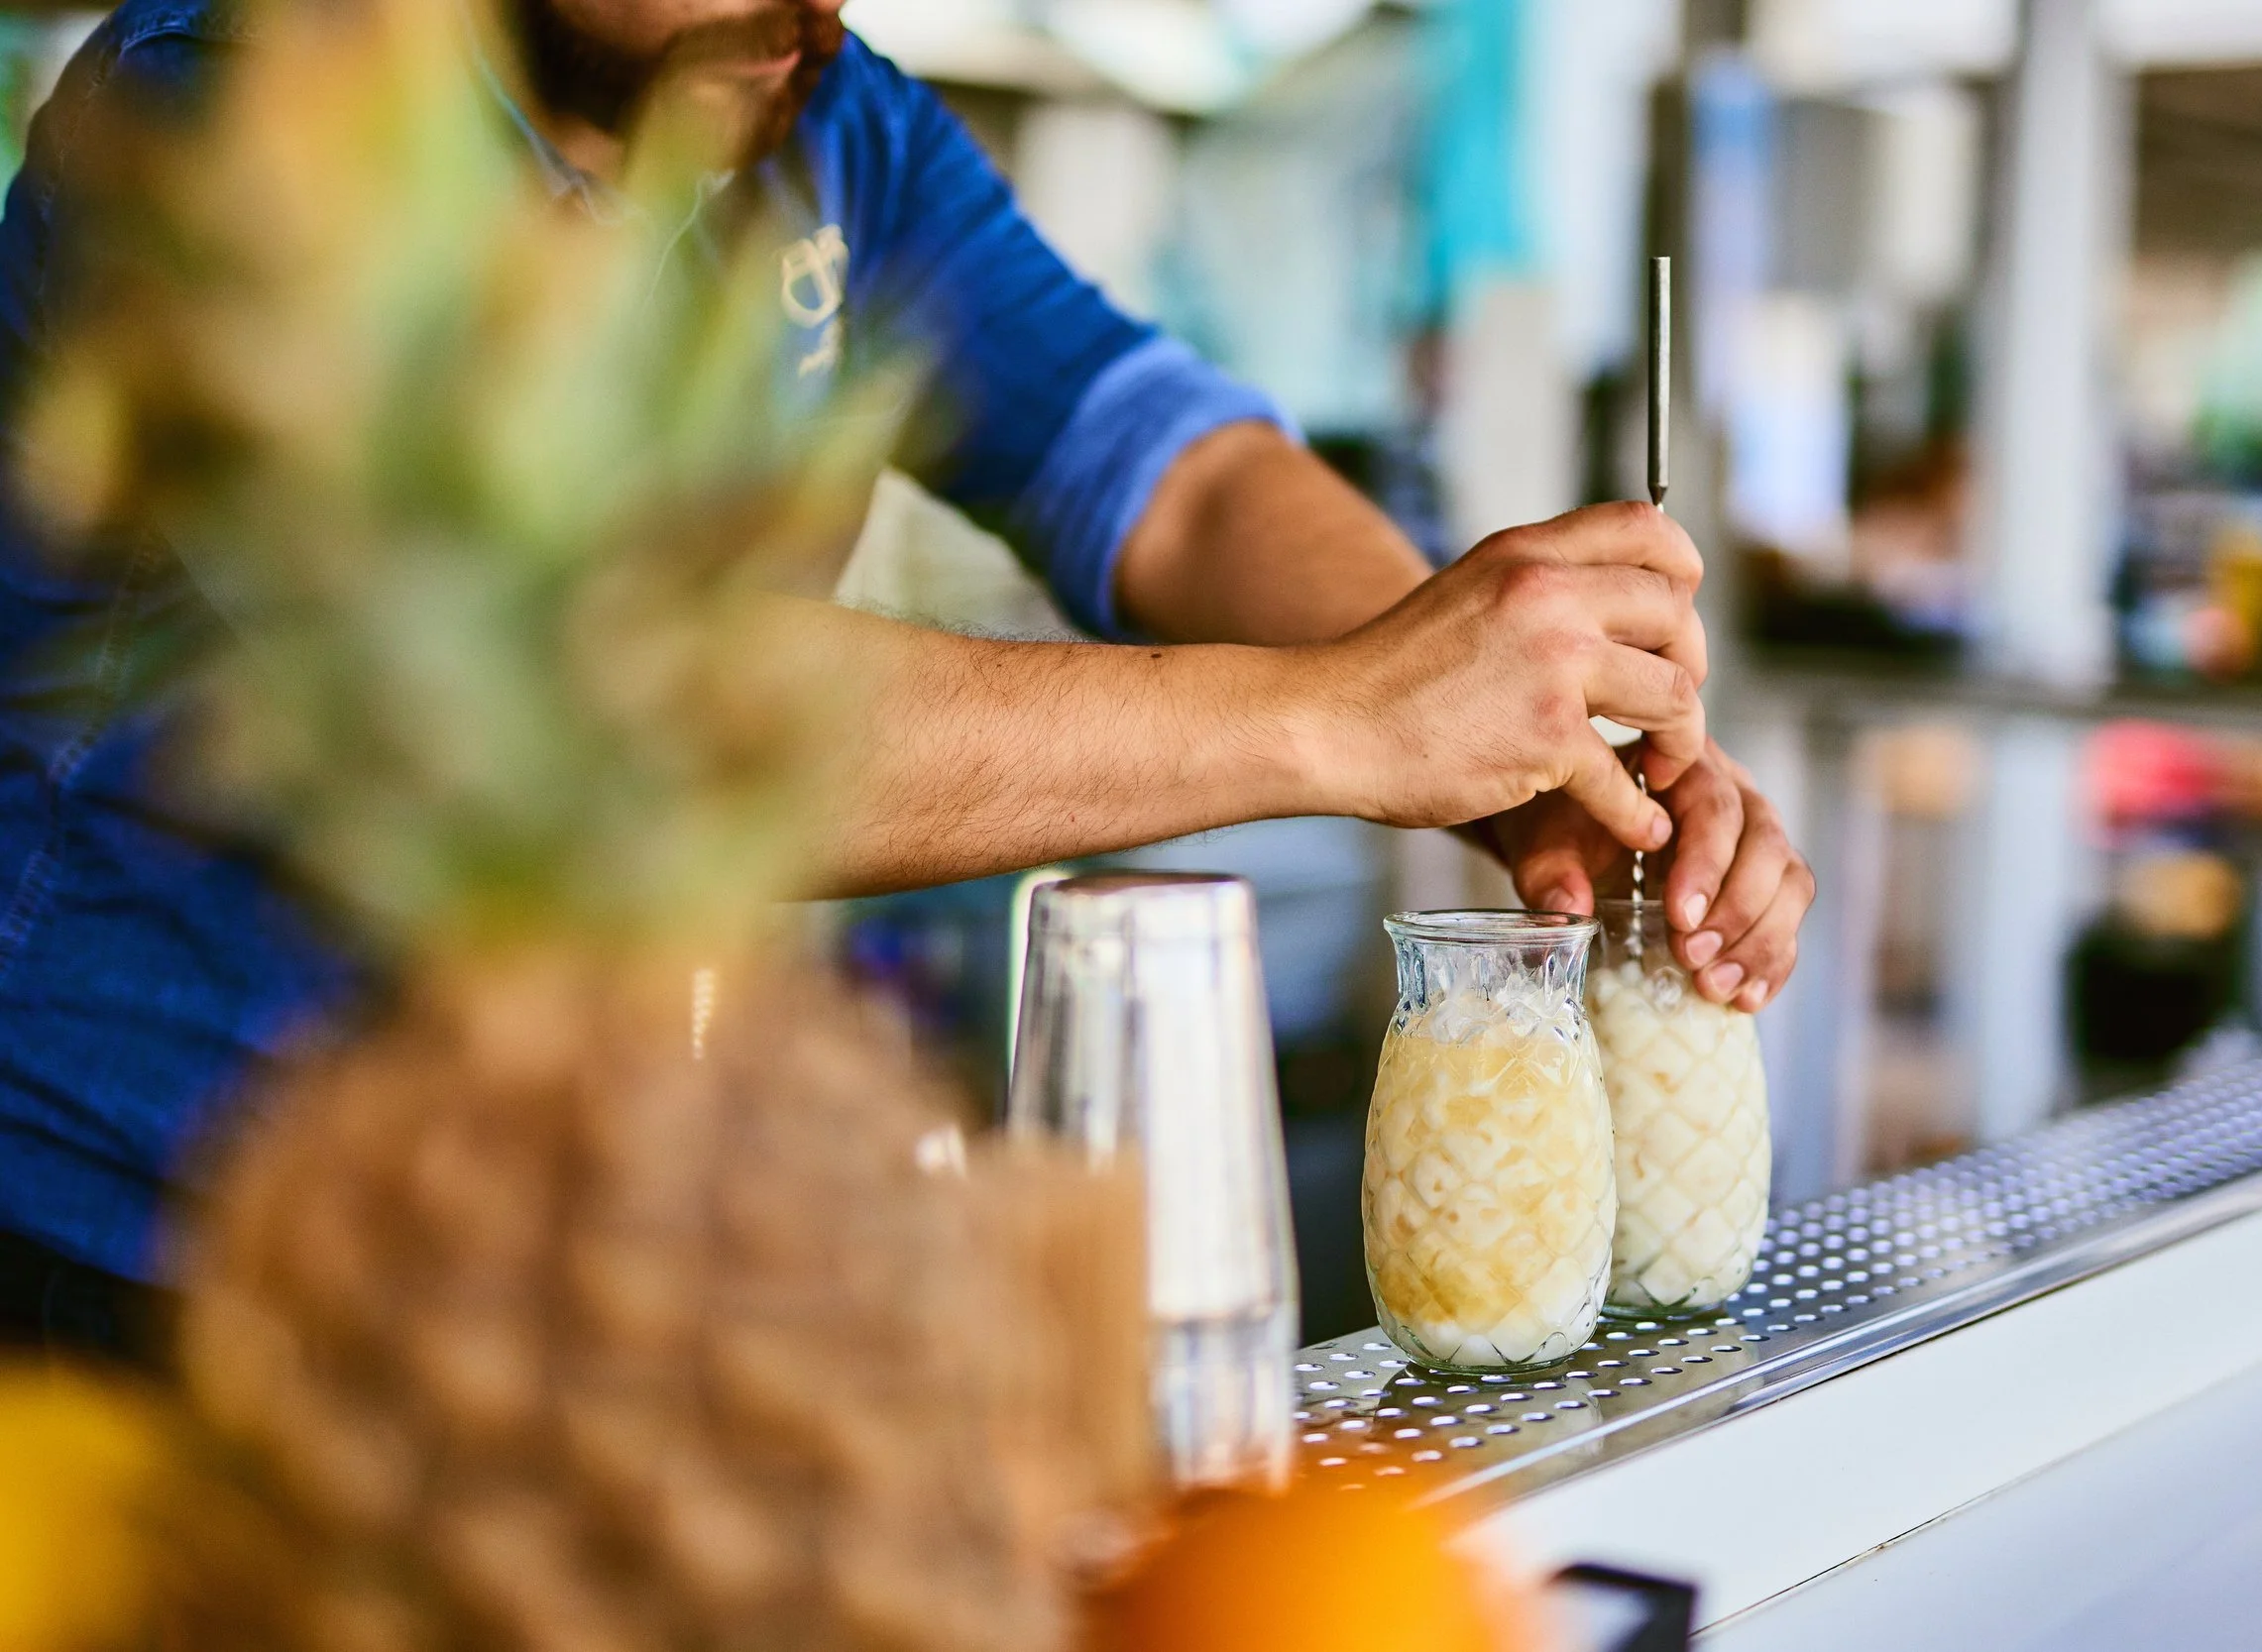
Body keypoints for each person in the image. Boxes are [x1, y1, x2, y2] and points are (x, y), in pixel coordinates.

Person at [0, 0, 1813, 1363]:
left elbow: (1158, 465)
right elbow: (616, 710)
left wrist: (1518, 733)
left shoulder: (818, 119)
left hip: (562, 1276)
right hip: (128, 1281)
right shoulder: (239, 113)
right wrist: (1346, 714)